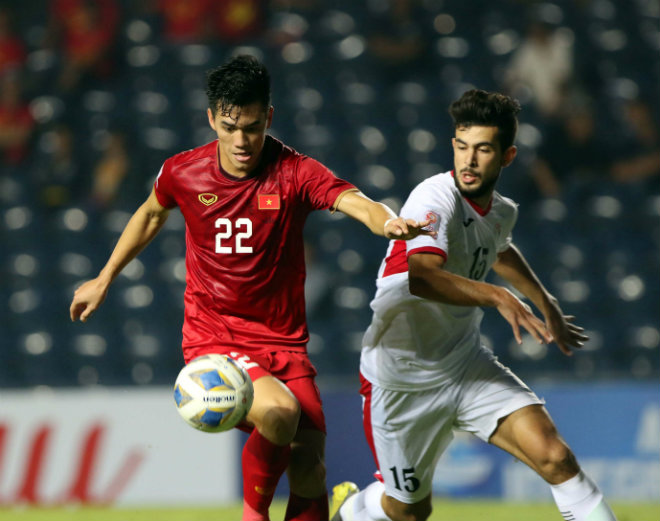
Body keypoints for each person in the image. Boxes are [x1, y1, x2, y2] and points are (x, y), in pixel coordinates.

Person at [69, 54, 431, 521]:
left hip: (284, 342)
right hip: (215, 337)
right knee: (280, 413)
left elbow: (356, 201)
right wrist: (104, 278)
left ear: (269, 117)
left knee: (311, 467)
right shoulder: (183, 171)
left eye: (253, 127)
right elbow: (151, 213)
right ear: (211, 119)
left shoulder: (295, 172)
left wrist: (388, 223)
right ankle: (252, 515)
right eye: (229, 126)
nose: (242, 141)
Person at [329, 89, 618, 521]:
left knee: (556, 458)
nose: (469, 160)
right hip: (401, 378)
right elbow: (423, 278)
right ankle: (352, 508)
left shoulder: (502, 211)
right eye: (462, 147)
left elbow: (499, 248)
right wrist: (499, 296)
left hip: (465, 366)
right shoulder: (433, 198)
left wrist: (547, 302)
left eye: (483, 149)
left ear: (507, 156)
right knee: (408, 511)